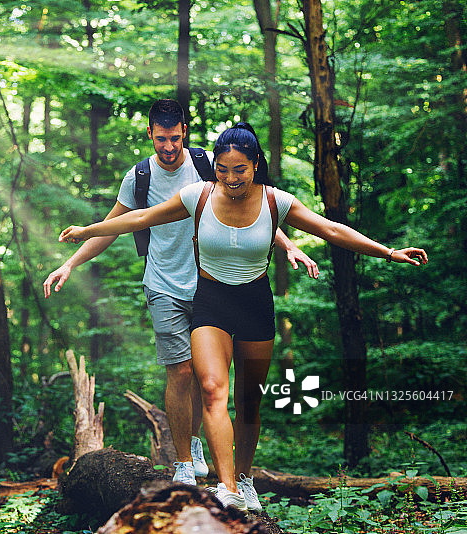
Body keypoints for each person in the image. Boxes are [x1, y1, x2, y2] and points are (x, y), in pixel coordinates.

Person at [58, 122, 428, 511]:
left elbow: (331, 229)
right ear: (214, 166)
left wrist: (388, 252)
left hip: (254, 303)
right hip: (211, 301)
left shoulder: (276, 202)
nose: (231, 178)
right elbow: (139, 219)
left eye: (240, 169)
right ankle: (228, 488)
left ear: (255, 166)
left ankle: (246, 478)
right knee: (214, 389)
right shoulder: (197, 196)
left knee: (249, 401)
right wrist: (88, 230)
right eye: (222, 168)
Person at [44, 101, 318, 489]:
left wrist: (287, 244)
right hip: (165, 285)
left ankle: (222, 467)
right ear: (151, 136)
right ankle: (185, 460)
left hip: (213, 287)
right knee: (182, 370)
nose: (168, 147)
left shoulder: (209, 166)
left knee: (216, 384)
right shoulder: (138, 178)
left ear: (184, 132)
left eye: (174, 139)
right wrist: (71, 263)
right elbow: (116, 225)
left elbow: (247, 212)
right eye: (161, 140)